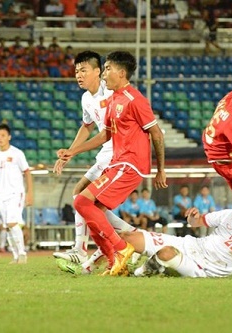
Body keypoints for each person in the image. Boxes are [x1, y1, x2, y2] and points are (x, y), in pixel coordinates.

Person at [57, 51, 167, 276]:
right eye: (76, 71)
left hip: (127, 162)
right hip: (114, 159)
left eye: (107, 69)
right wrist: (72, 151)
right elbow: (103, 134)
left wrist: (160, 170)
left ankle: (115, 249)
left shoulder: (130, 98)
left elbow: (156, 133)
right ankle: (114, 258)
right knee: (88, 205)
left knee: (82, 200)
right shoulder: (108, 98)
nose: (106, 73)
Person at [53, 51, 137, 266]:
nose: (78, 75)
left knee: (85, 200)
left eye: (83, 70)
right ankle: (131, 237)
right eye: (76, 71)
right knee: (82, 199)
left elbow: (107, 133)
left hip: (119, 152)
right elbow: (87, 126)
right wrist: (68, 153)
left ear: (98, 71)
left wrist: (74, 152)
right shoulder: (85, 98)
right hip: (106, 153)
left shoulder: (110, 92)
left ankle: (83, 249)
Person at [120, 191, 232, 279]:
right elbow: (198, 222)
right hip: (190, 244)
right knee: (129, 237)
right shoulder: (228, 215)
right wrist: (193, 218)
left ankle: (139, 273)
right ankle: (99, 265)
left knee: (166, 253)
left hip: (200, 268)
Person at [0, 123, 33, 264]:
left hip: (16, 193)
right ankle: (15, 256)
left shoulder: (17, 153)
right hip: (1, 195)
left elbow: (27, 172)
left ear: (9, 137)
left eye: (3, 135)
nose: (0, 138)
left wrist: (30, 193)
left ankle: (22, 254)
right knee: (7, 226)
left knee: (12, 223)